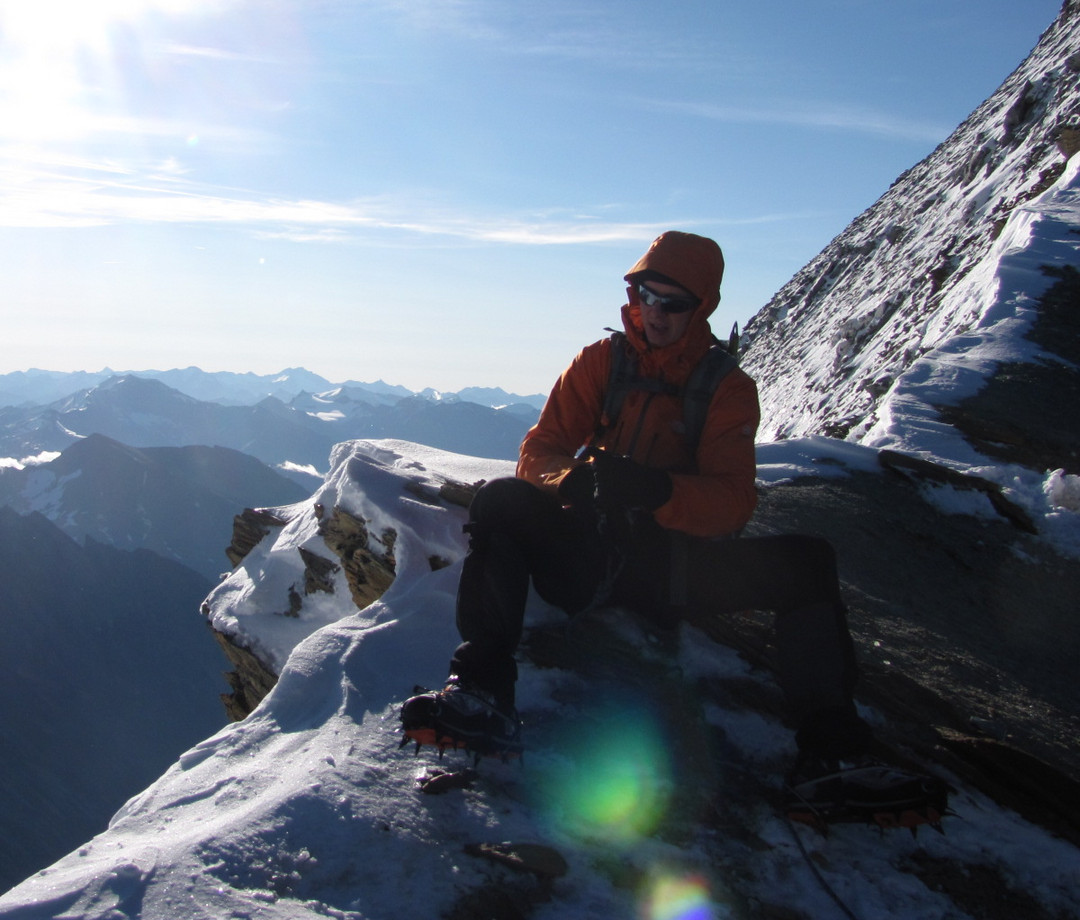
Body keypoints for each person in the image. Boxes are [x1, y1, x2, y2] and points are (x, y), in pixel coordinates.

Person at [402, 230, 947, 824]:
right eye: (645, 294)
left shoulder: (727, 389)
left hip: (676, 569)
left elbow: (733, 501)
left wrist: (660, 492)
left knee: (808, 562)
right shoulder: (600, 363)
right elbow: (541, 449)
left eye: (674, 302)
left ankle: (831, 755)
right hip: (586, 554)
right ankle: (481, 692)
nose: (655, 312)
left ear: (702, 307)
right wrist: (571, 482)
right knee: (503, 500)